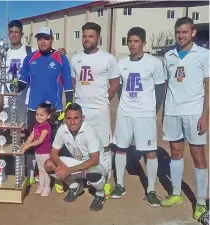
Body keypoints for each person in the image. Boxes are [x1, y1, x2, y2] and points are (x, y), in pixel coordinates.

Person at [110, 27, 166, 207]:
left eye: (136, 41)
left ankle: (150, 190)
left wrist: (153, 110)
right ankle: (119, 185)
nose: (132, 45)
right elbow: (119, 87)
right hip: (125, 113)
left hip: (145, 115)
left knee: (150, 152)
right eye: (130, 41)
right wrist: (125, 103)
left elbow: (160, 89)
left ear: (143, 43)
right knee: (120, 149)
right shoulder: (121, 63)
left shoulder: (155, 63)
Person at [160, 17, 209, 220]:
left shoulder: (204, 55)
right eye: (178, 32)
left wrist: (205, 115)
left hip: (194, 112)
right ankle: (176, 193)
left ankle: (200, 202)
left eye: (185, 32)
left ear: (193, 33)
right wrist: (163, 111)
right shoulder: (168, 56)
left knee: (198, 157)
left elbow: (208, 86)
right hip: (172, 111)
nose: (181, 36)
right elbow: (166, 85)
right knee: (175, 152)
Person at [18, 26, 73, 186]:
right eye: (40, 38)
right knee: (32, 141)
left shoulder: (60, 58)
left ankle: (57, 177)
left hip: (54, 110)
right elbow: (23, 79)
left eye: (46, 38)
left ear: (52, 39)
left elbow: (68, 83)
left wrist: (68, 103)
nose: (43, 41)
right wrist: (14, 87)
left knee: (55, 145)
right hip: (34, 109)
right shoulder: (30, 57)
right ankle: (31, 173)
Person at [70, 22, 120, 199]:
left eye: (90, 36)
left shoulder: (108, 59)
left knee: (104, 147)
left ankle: (105, 181)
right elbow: (74, 83)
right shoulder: (75, 58)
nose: (86, 39)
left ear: (98, 38)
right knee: (81, 146)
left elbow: (115, 84)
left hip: (99, 111)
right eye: (84, 36)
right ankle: (80, 181)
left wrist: (104, 99)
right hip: (81, 111)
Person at [44, 103, 108, 211]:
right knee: (48, 164)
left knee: (92, 173)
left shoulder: (89, 131)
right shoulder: (62, 130)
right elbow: (53, 152)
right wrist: (62, 167)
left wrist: (68, 170)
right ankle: (75, 186)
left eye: (76, 118)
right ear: (65, 119)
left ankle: (100, 194)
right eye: (69, 118)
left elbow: (94, 160)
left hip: (98, 166)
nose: (72, 122)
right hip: (77, 163)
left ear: (82, 118)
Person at [22, 102, 55, 196]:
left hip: (45, 153)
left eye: (41, 115)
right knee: (40, 169)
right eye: (37, 114)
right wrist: (26, 143)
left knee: (45, 170)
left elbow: (40, 140)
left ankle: (47, 187)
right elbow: (31, 135)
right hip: (38, 152)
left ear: (48, 116)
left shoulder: (46, 126)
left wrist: (29, 145)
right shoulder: (37, 125)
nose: (39, 117)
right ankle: (41, 186)